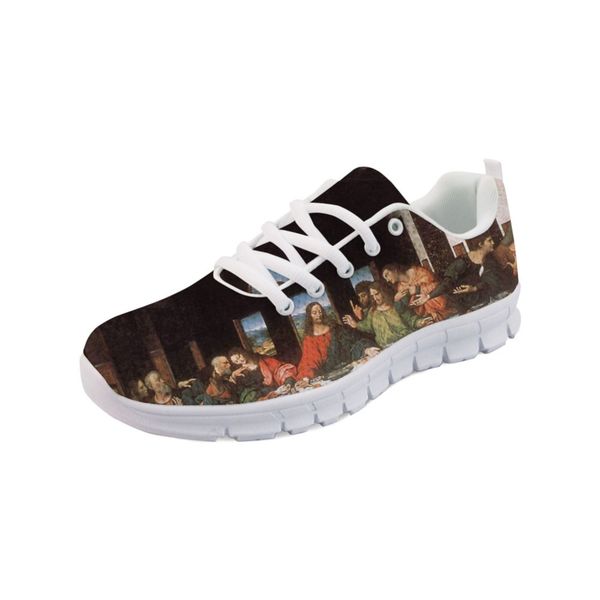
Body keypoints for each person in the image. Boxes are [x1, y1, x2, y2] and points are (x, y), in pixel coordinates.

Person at [412, 234, 508, 313]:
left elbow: (491, 281)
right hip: (469, 306)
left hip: (487, 300)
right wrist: (428, 296)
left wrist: (474, 288)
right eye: (489, 240)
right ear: (480, 244)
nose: (493, 243)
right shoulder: (462, 262)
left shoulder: (489, 260)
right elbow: (446, 283)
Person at [296, 302, 379, 383]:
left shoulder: (335, 328)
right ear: (309, 316)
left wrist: (366, 349)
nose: (318, 314)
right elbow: (309, 361)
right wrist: (305, 378)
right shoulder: (309, 339)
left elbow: (353, 342)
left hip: (351, 366)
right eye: (314, 313)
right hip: (330, 375)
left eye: (320, 311)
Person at [343, 282, 432, 347]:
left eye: (377, 294)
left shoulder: (396, 305)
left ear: (383, 292)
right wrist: (355, 324)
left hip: (406, 342)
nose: (375, 298)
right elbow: (367, 326)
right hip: (387, 348)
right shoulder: (372, 311)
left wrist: (421, 322)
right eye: (372, 296)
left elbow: (410, 319)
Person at [382, 263, 452, 322]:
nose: (387, 280)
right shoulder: (400, 288)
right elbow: (409, 306)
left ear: (394, 270)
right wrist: (397, 300)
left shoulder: (418, 272)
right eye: (385, 278)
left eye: (387, 275)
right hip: (429, 314)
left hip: (443, 304)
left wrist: (418, 289)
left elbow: (437, 285)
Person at [229, 347, 298, 402]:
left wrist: (288, 383)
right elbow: (248, 393)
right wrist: (275, 393)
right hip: (265, 396)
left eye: (238, 357)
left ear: (243, 352)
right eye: (236, 361)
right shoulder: (240, 373)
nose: (239, 361)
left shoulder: (264, 360)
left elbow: (282, 369)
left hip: (279, 388)